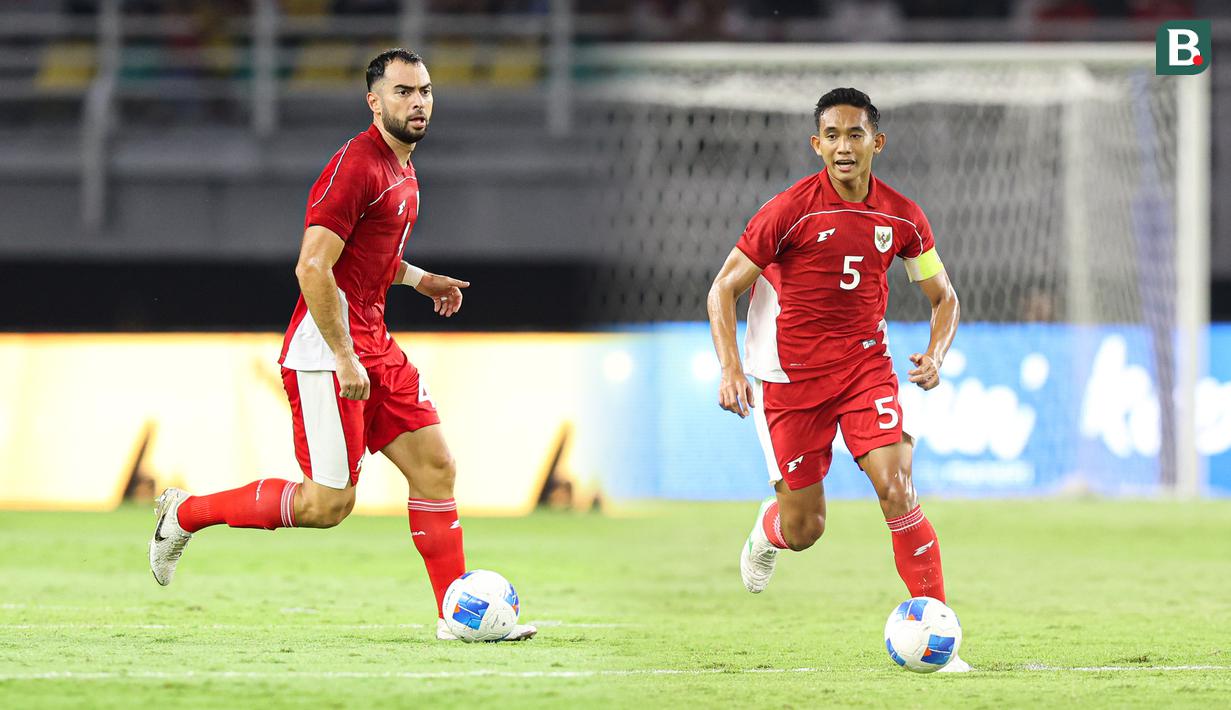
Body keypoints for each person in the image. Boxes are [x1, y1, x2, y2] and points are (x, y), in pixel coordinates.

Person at [148, 48, 535, 642]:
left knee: (436, 468)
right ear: (374, 102)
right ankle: (183, 514)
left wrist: (417, 278)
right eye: (404, 92)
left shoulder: (402, 168)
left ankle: (456, 618)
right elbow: (312, 267)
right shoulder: (358, 164)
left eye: (425, 90)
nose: (419, 102)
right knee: (328, 505)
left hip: (375, 343)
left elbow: (368, 256)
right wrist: (345, 355)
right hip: (327, 351)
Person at [706, 87, 966, 671]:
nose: (843, 147)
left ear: (877, 142)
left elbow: (943, 297)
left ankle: (938, 635)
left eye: (855, 135)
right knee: (805, 528)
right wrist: (729, 370)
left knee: (897, 487)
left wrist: (935, 355)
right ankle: (765, 533)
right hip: (789, 381)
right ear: (816, 144)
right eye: (832, 136)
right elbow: (722, 288)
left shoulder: (902, 216)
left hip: (864, 369)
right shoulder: (790, 209)